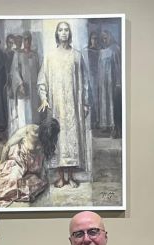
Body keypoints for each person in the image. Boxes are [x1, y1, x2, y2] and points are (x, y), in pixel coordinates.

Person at [37, 21, 91, 188]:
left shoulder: (77, 56)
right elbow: (42, 80)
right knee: (58, 139)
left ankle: (71, 176)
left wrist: (85, 103)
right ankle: (61, 177)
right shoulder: (50, 56)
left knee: (72, 139)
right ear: (57, 33)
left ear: (70, 33)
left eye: (66, 30)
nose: (63, 33)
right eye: (60, 30)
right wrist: (44, 98)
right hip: (56, 105)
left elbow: (84, 81)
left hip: (73, 105)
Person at [0, 116, 60, 207]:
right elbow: (7, 146)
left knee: (39, 183)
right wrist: (2, 165)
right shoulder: (29, 130)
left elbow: (42, 157)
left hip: (33, 166)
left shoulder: (47, 139)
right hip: (18, 161)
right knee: (9, 185)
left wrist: (42, 173)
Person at [10, 31, 41, 129]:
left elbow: (39, 71)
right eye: (25, 39)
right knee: (24, 112)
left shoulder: (35, 55)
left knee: (34, 112)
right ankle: (24, 133)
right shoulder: (18, 54)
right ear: (23, 41)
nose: (27, 41)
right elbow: (15, 70)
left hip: (34, 89)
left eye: (29, 39)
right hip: (23, 88)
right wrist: (20, 84)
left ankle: (33, 134)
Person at [97, 30, 122, 137]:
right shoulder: (102, 51)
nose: (104, 40)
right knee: (104, 102)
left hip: (112, 81)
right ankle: (106, 125)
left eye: (106, 37)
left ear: (110, 37)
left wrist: (118, 82)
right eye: (102, 38)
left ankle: (114, 126)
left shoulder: (115, 49)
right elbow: (99, 68)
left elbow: (118, 66)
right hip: (103, 82)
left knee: (112, 103)